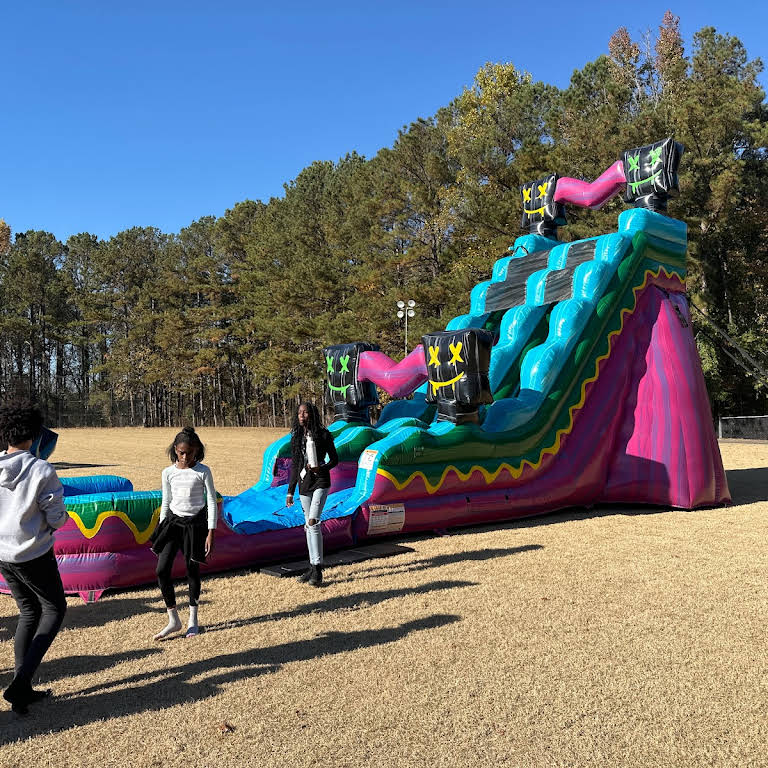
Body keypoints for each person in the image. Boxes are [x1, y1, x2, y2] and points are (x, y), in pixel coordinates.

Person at [0, 400, 68, 715]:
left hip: (3, 554)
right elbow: (56, 518)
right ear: (35, 434)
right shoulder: (41, 469)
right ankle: (21, 681)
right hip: (32, 553)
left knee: (28, 611)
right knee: (54, 608)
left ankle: (22, 689)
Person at [150, 426, 217, 640]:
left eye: (189, 452)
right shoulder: (167, 472)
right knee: (161, 570)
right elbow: (166, 501)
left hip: (195, 526)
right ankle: (173, 619)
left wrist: (210, 532)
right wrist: (161, 528)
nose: (185, 456)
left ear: (196, 450)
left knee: (192, 570)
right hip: (172, 524)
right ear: (175, 450)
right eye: (181, 452)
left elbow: (211, 502)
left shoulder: (203, 471)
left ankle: (192, 620)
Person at [285, 402, 338, 587]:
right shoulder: (296, 437)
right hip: (304, 484)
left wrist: (320, 467)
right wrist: (290, 491)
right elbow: (295, 466)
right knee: (308, 525)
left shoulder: (324, 435)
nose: (302, 416)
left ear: (312, 415)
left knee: (313, 521)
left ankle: (317, 570)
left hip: (321, 482)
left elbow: (335, 459)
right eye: (299, 412)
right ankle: (312, 566)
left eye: (305, 412)